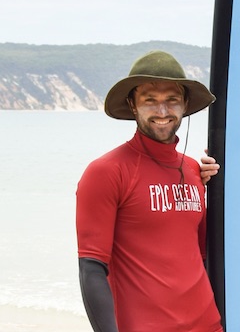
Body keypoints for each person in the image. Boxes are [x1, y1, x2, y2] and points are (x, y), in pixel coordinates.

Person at [76, 50, 223, 332]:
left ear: (185, 104)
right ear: (133, 104)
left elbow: (204, 256)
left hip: (209, 326)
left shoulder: (195, 171)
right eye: (150, 101)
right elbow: (92, 268)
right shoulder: (106, 172)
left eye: (172, 100)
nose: (162, 112)